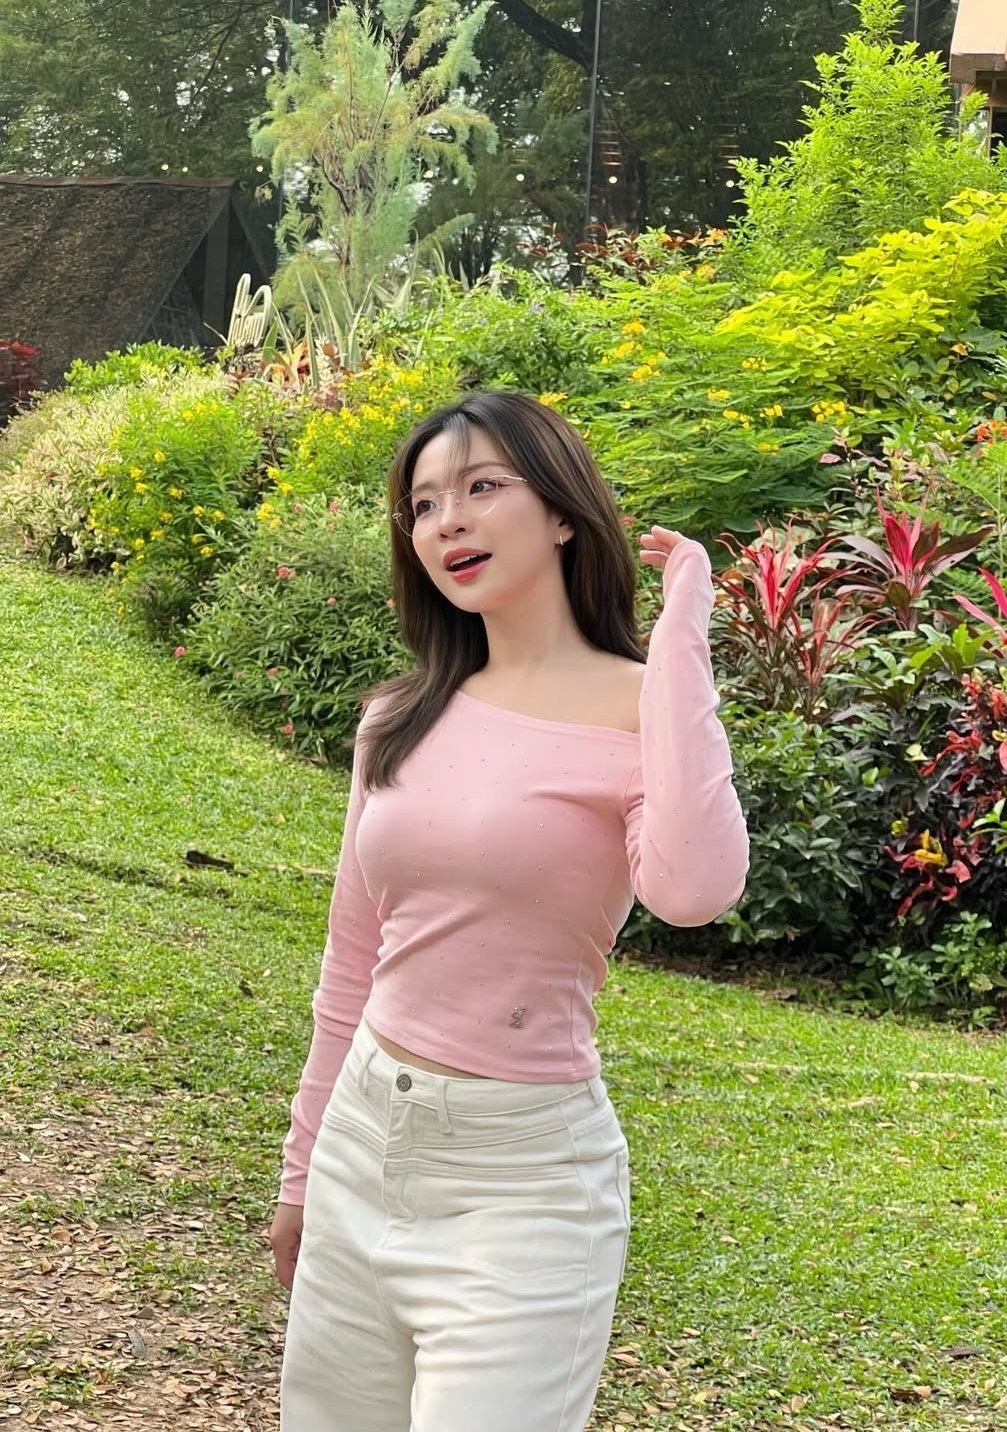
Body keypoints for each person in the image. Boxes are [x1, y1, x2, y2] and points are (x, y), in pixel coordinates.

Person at [270, 390, 749, 1432]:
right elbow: (353, 956)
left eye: (482, 486)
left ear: (564, 511)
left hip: (522, 1183)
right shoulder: (399, 715)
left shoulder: (640, 709)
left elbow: (694, 889)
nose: (448, 520)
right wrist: (304, 1169)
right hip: (362, 1138)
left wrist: (680, 646)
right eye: (423, 504)